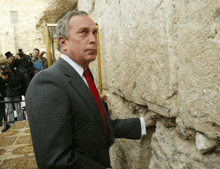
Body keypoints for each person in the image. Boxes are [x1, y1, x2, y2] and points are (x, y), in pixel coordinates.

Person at [26, 10, 156, 169]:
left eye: (94, 33)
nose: (93, 39)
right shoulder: (47, 82)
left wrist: (143, 122)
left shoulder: (85, 74)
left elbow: (98, 126)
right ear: (63, 42)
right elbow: (55, 160)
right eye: (83, 32)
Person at [0, 65, 24, 132]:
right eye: (3, 69)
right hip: (7, 95)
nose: (4, 71)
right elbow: (1, 86)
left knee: (18, 108)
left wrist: (8, 78)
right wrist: (1, 79)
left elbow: (15, 82)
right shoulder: (1, 76)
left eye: (5, 69)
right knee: (9, 110)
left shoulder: (12, 73)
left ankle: (21, 122)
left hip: (14, 93)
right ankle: (11, 124)